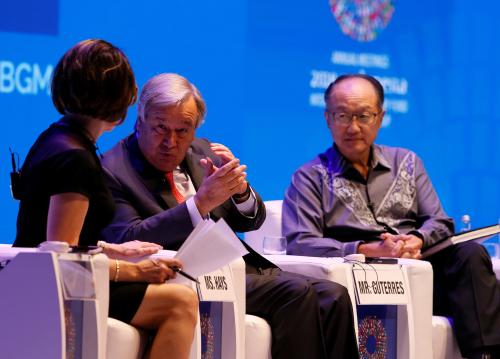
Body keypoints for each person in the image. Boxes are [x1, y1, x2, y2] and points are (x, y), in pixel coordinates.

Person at [101, 72, 360, 359]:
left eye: (183, 130)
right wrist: (199, 204)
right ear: (140, 121)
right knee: (295, 292)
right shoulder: (114, 169)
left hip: (238, 268)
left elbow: (251, 220)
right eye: (160, 128)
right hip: (185, 277)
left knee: (334, 296)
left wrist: (239, 192)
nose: (171, 141)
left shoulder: (202, 150)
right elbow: (127, 238)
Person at [282, 73, 500, 359]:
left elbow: (439, 221)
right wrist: (366, 250)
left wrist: (417, 239)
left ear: (380, 117)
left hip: (421, 274)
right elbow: (301, 242)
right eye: (343, 116)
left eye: (363, 115)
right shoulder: (309, 177)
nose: (353, 127)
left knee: (469, 254)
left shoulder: (406, 162)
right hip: (361, 282)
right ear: (327, 118)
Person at [13, 40, 198, 359]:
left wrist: (112, 250)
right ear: (121, 97)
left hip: (41, 279)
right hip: (51, 291)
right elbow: (63, 260)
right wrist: (137, 271)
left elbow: (59, 240)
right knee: (180, 303)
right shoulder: (76, 160)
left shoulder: (57, 138)